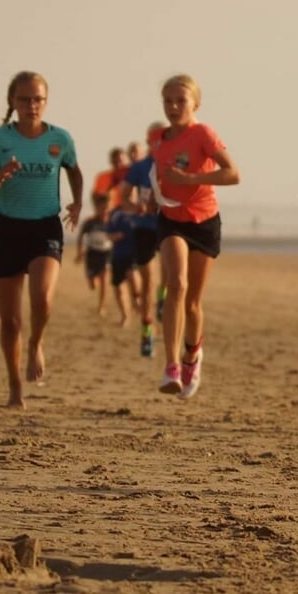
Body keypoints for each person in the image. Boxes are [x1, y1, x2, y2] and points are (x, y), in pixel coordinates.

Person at [0, 70, 83, 409]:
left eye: (38, 99)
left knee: (43, 298)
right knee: (10, 320)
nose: (32, 105)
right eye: (24, 99)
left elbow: (74, 170)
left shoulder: (60, 138)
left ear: (46, 102)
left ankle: (36, 343)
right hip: (8, 228)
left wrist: (78, 201)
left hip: (45, 226)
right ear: (13, 102)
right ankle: (15, 387)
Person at [151, 74, 240, 398]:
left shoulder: (203, 133)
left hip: (204, 221)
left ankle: (192, 355)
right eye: (168, 101)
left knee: (192, 303)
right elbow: (158, 173)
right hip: (171, 220)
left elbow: (233, 174)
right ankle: (171, 366)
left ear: (195, 104)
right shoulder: (157, 138)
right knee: (176, 285)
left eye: (181, 101)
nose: (174, 107)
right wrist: (152, 196)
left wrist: (189, 178)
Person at [120, 121, 167, 358]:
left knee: (169, 277)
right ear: (149, 142)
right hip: (144, 228)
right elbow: (124, 196)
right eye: (154, 140)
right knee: (148, 279)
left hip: (171, 226)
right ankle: (147, 329)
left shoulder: (176, 164)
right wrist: (136, 206)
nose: (159, 144)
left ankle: (163, 300)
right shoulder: (139, 168)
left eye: (163, 139)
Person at [75, 195, 112, 317]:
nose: (104, 211)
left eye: (107, 208)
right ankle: (92, 280)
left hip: (106, 254)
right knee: (93, 285)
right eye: (102, 208)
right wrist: (79, 253)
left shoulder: (112, 222)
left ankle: (102, 307)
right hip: (92, 254)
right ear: (96, 208)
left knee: (104, 280)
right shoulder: (89, 222)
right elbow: (80, 236)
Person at [107, 193, 139, 327]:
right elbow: (109, 234)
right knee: (118, 287)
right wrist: (115, 236)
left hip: (136, 255)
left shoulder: (140, 211)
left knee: (134, 281)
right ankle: (125, 315)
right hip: (119, 254)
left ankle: (139, 308)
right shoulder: (116, 213)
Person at [92, 147, 129, 212]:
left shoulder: (134, 176)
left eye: (120, 161)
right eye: (115, 162)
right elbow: (96, 196)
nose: (118, 165)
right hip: (110, 213)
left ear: (127, 160)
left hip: (131, 212)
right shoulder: (103, 177)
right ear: (111, 162)